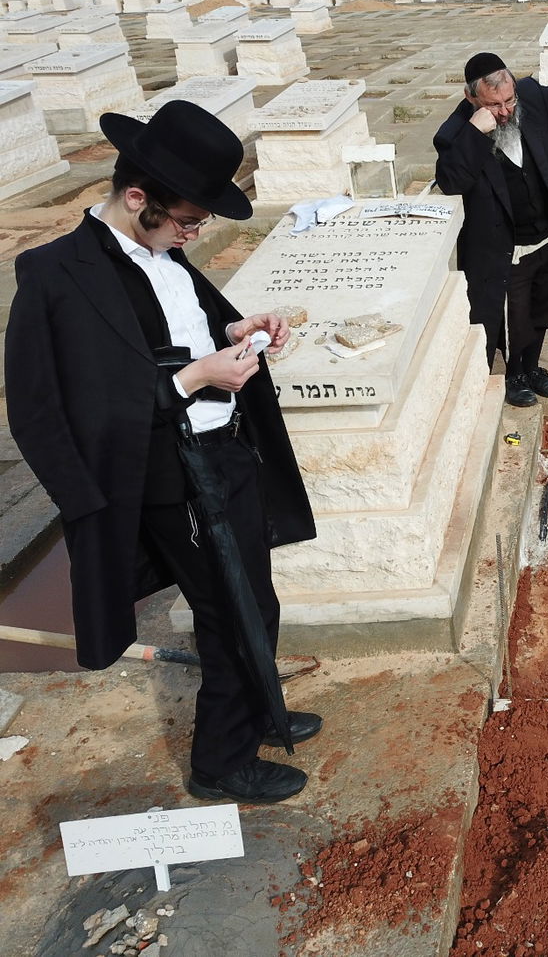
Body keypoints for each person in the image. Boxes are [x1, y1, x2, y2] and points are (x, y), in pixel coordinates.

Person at [5, 100, 319, 804]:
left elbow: (183, 325)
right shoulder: (55, 275)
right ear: (138, 196)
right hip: (164, 478)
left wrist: (237, 327)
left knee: (255, 604)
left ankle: (259, 706)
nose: (193, 235)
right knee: (228, 610)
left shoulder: (165, 251)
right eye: (188, 220)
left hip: (225, 453)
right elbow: (51, 407)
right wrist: (193, 379)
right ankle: (221, 761)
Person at [433, 51, 548, 407]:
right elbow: (450, 180)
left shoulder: (532, 96)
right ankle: (514, 375)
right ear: (471, 98)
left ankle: (531, 369)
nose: (505, 111)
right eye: (493, 104)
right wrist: (474, 133)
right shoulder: (455, 133)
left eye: (508, 100)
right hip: (507, 247)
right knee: (514, 317)